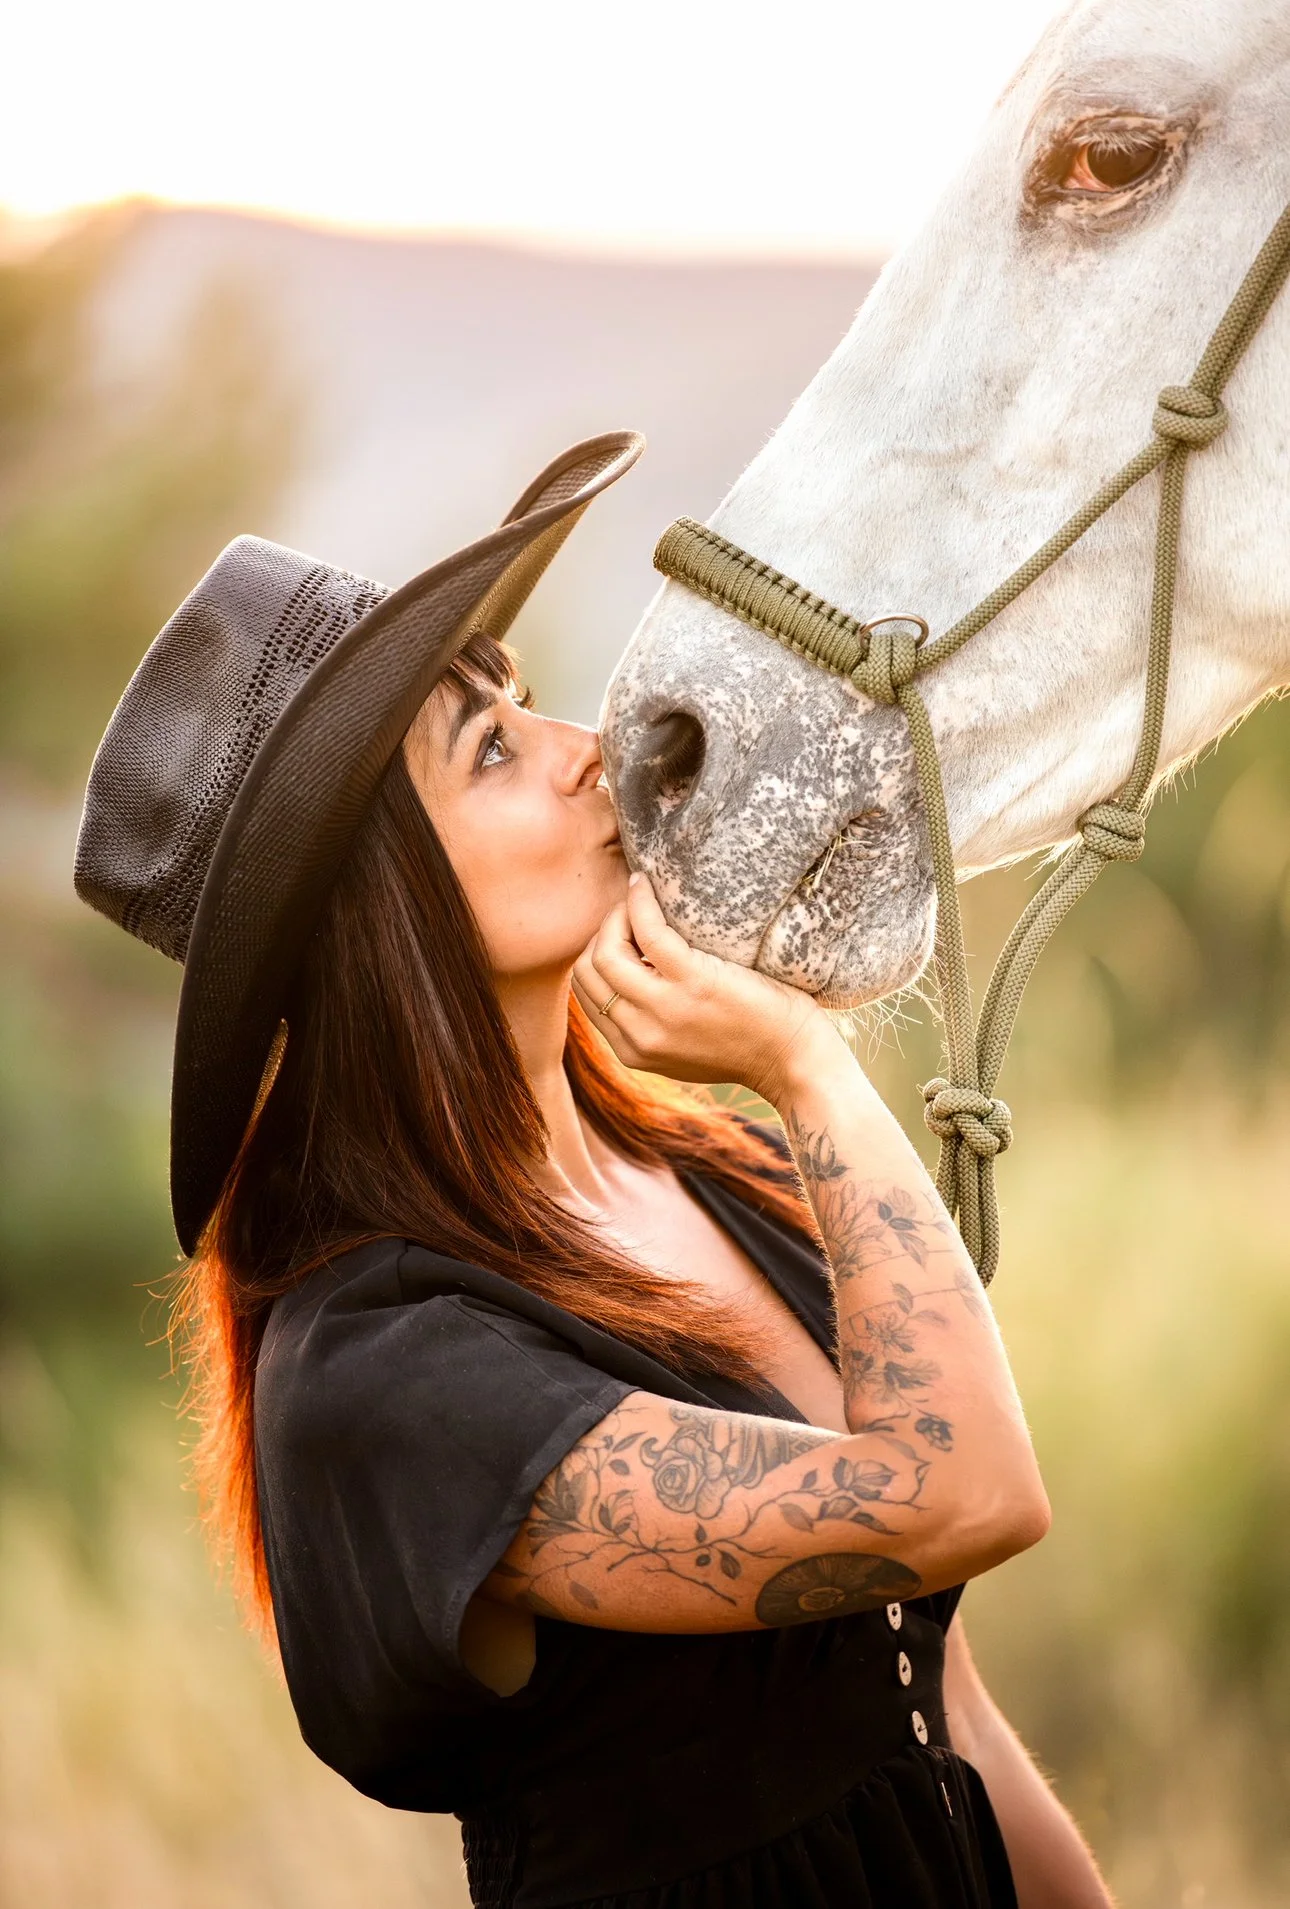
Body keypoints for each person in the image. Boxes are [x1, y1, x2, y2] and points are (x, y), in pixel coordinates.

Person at [74, 433, 1114, 1909]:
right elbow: (957, 1500)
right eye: (489, 751)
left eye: (518, 699)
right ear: (384, 911)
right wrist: (811, 1065)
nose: (583, 745)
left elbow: (938, 1710)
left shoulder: (714, 1172)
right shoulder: (390, 1375)